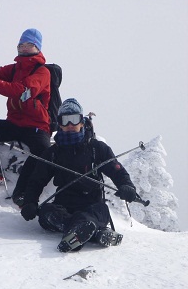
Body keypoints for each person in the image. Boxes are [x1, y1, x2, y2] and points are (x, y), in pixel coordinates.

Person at [18, 98, 137, 252]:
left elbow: (117, 171)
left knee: (101, 211)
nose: (70, 125)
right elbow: (37, 180)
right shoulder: (53, 153)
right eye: (65, 120)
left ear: (82, 121)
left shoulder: (97, 148)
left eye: (74, 120)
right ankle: (94, 233)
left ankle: (78, 232)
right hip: (63, 206)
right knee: (46, 213)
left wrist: (127, 186)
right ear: (59, 124)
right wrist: (30, 202)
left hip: (93, 206)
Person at [0, 28, 51, 193]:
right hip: (14, 123)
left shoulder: (42, 72)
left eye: (30, 44)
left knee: (43, 152)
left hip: (36, 126)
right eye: (22, 44)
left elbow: (21, 91)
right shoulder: (14, 69)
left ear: (38, 47)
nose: (24, 47)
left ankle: (28, 190)